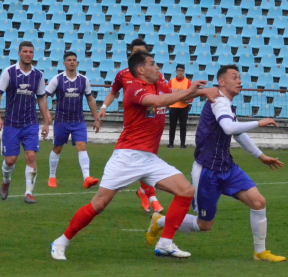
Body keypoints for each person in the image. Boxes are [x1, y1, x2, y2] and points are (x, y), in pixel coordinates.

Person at [50, 52, 217, 261]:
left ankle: (165, 243)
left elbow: (172, 93)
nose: (157, 68)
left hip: (148, 158)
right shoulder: (134, 89)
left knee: (185, 191)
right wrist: (191, 92)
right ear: (141, 70)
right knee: (99, 204)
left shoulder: (160, 85)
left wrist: (201, 92)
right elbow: (159, 101)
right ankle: (61, 241)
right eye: (152, 64)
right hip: (127, 157)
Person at [145, 64, 286, 262]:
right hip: (208, 171)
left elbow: (236, 132)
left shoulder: (225, 102)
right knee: (205, 225)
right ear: (221, 82)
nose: (239, 81)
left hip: (227, 167)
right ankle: (161, 221)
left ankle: (260, 252)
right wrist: (258, 122)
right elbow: (229, 128)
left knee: (258, 202)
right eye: (235, 77)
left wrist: (260, 156)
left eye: (240, 77)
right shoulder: (218, 101)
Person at [97, 38, 166, 214]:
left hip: (151, 122)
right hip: (134, 123)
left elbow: (164, 94)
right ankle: (152, 197)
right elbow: (113, 92)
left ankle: (144, 192)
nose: (139, 55)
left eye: (142, 52)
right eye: (136, 52)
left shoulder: (155, 76)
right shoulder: (123, 74)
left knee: (148, 157)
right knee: (142, 155)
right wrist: (104, 107)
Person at [0, 41, 52, 204]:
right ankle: (6, 181)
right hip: (11, 123)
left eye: (31, 52)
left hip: (30, 123)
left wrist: (46, 122)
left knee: (31, 156)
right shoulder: (9, 72)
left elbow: (41, 99)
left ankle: (28, 193)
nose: (28, 54)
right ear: (19, 53)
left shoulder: (38, 75)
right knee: (10, 160)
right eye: (25, 51)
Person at [45, 51, 102, 189]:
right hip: (61, 120)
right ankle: (52, 177)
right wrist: (46, 112)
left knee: (81, 146)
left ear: (77, 63)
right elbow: (43, 96)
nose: (71, 62)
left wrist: (96, 118)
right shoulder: (57, 79)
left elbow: (90, 99)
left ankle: (86, 178)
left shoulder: (84, 80)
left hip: (78, 121)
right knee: (57, 148)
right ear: (64, 63)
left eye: (74, 60)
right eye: (69, 60)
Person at [167, 64, 191, 149]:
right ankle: (170, 143)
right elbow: (168, 93)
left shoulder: (187, 81)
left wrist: (188, 100)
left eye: (182, 71)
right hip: (173, 106)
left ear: (184, 72)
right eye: (179, 71)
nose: (180, 72)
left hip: (184, 107)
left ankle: (183, 144)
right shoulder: (171, 81)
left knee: (183, 126)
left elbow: (191, 94)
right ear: (176, 71)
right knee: (172, 125)